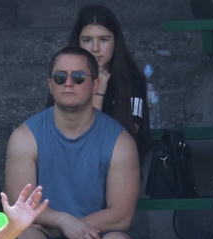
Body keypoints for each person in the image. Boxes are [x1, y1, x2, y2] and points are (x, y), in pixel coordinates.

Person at [5, 46, 142, 239]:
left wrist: (74, 225)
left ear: (94, 85)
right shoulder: (25, 137)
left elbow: (121, 215)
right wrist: (62, 222)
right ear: (50, 85)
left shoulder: (118, 140)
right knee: (21, 237)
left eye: (79, 77)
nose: (69, 83)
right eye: (60, 76)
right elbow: (20, 209)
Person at [60, 4, 150, 158]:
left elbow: (126, 143)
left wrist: (99, 93)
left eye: (103, 39)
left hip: (118, 168)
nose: (95, 48)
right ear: (78, 43)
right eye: (87, 40)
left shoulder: (132, 82)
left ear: (115, 42)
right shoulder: (64, 80)